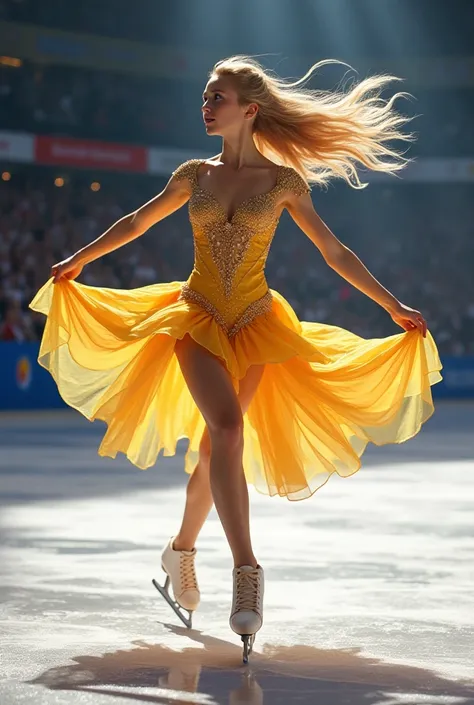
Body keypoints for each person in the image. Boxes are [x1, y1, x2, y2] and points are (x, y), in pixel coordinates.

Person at [29, 55, 442, 663]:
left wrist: (391, 304)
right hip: (195, 317)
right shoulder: (193, 175)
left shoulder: (283, 184)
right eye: (204, 96)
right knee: (226, 430)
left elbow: (334, 251)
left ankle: (181, 550)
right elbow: (138, 221)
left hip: (255, 324)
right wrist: (81, 259)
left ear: (249, 109)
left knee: (214, 449)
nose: (206, 105)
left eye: (216, 97)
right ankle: (248, 569)